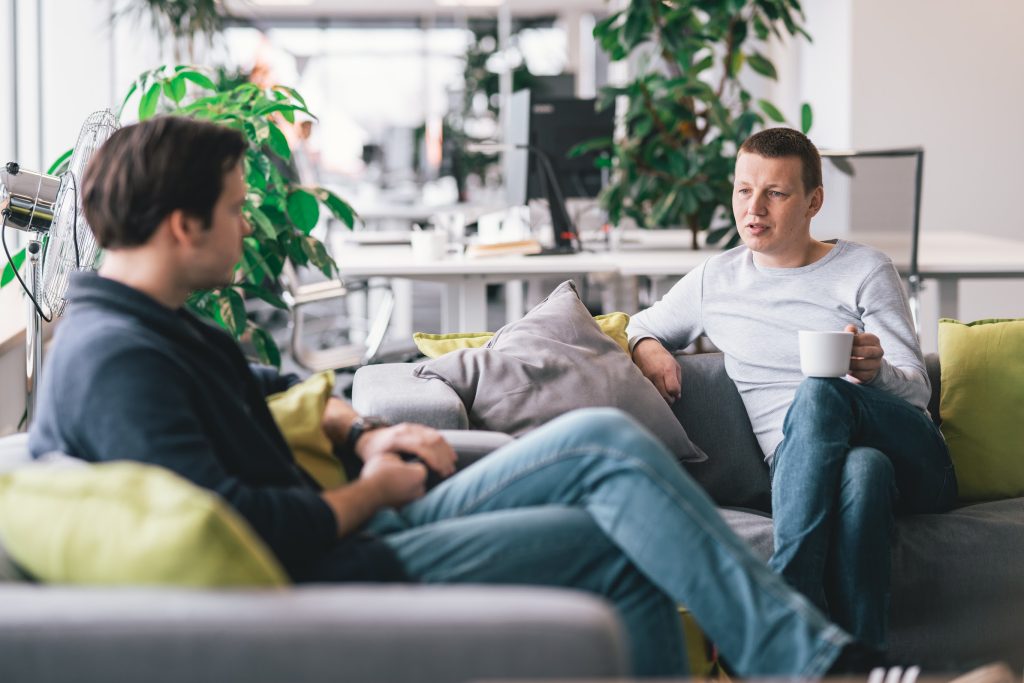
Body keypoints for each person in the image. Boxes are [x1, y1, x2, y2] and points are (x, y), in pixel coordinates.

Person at [30, 116, 883, 678]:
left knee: (608, 475)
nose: (248, 225)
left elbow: (267, 385)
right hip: (341, 557)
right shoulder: (115, 360)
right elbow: (243, 526)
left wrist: (359, 428)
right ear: (183, 226)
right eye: (233, 209)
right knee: (610, 492)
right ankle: (819, 665)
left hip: (364, 508)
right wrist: (371, 489)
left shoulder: (151, 324)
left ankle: (805, 660)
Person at [628, 127, 957, 653]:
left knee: (820, 391)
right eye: (742, 190)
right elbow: (633, 324)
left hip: (915, 458)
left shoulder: (865, 269)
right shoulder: (716, 280)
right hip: (799, 463)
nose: (753, 208)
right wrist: (647, 346)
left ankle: (786, 594)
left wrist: (877, 374)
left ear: (813, 202)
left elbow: (917, 394)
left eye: (776, 193)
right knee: (862, 471)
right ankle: (859, 662)